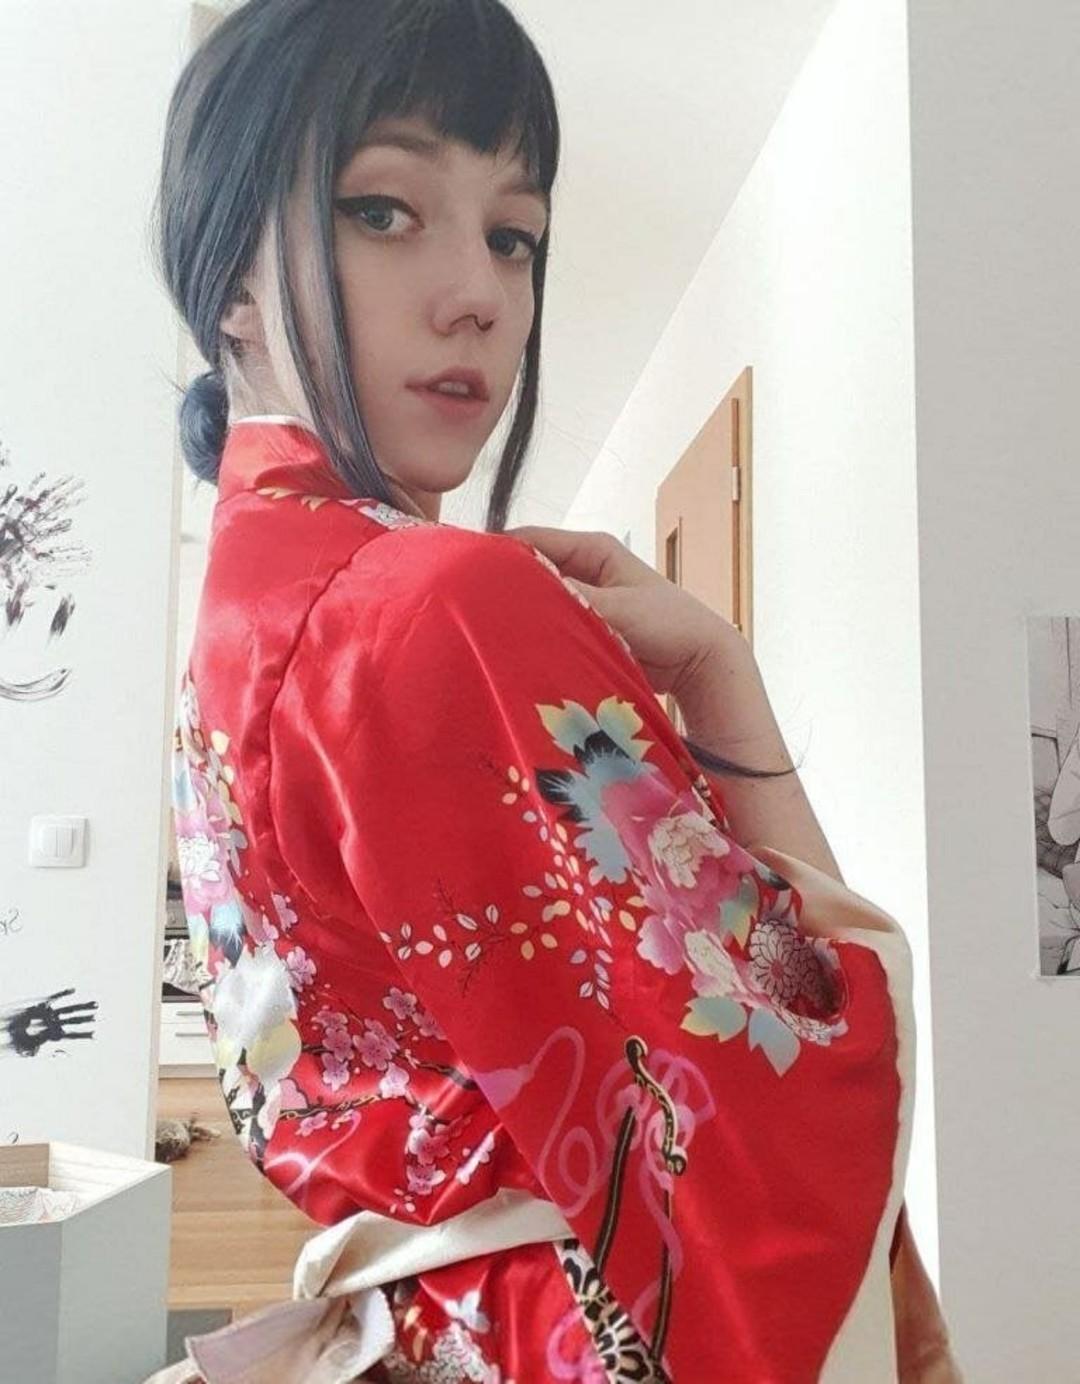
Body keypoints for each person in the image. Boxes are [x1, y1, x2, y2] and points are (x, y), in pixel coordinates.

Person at [149, 1, 961, 1379]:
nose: (478, 292)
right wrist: (730, 699)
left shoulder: (242, 621)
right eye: (383, 211)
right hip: (559, 1329)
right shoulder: (437, 602)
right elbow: (787, 1057)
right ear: (229, 272)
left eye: (513, 235)